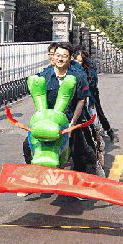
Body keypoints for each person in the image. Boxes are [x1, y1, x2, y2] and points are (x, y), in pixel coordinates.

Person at [27, 44, 93, 173]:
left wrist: (72, 124)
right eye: (57, 55)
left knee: (82, 152)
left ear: (70, 58)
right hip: (51, 122)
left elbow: (81, 101)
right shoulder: (45, 75)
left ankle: (88, 174)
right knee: (28, 145)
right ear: (53, 56)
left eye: (64, 56)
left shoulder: (78, 75)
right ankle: (32, 177)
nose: (60, 59)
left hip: (72, 120)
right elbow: (40, 100)